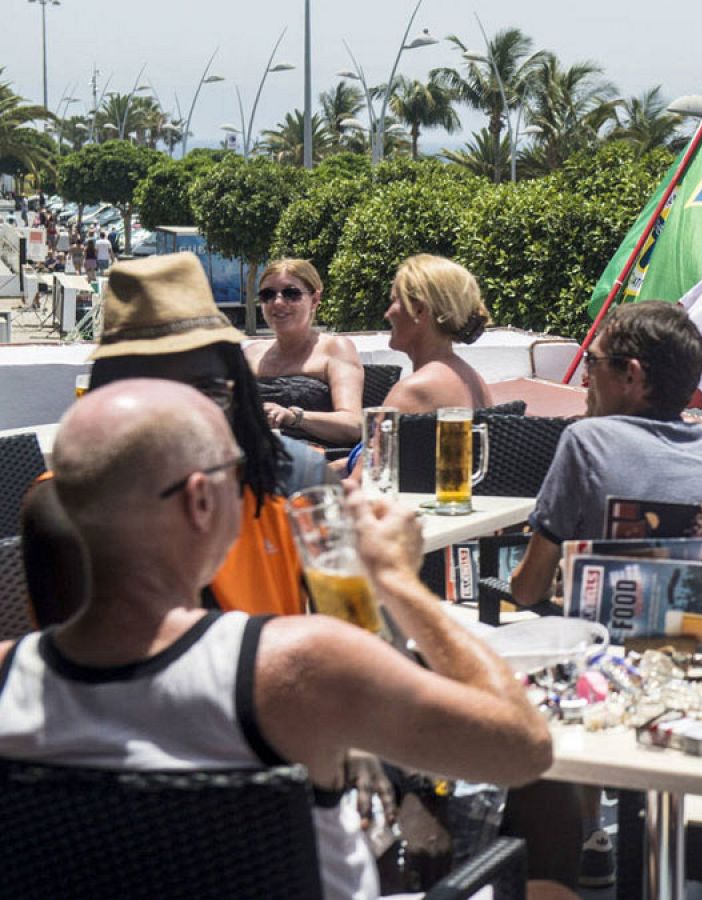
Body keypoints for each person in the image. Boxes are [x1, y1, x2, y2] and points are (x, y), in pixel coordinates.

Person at [0, 379, 560, 899]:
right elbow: (522, 748)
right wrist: (395, 580)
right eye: (237, 472)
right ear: (201, 501)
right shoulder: (297, 665)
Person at [506, 300, 702, 888]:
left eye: (590, 362)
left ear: (632, 375)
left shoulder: (587, 441)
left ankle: (585, 837)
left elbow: (527, 589)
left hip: (607, 696)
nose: (582, 376)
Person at [21, 252, 334, 627]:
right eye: (155, 391)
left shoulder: (297, 481)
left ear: (238, 388)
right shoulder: (65, 509)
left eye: (206, 390)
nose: (186, 414)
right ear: (110, 394)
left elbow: (351, 633)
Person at [245, 258, 364, 446]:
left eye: (291, 293)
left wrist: (294, 417)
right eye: (267, 295)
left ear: (315, 300)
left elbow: (353, 425)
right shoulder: (251, 354)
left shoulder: (335, 349)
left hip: (314, 462)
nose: (277, 302)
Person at [381, 254, 492, 413]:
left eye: (394, 301)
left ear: (419, 311)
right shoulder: (474, 381)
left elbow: (379, 438)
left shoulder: (412, 391)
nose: (387, 314)